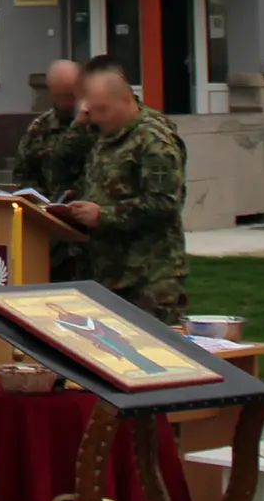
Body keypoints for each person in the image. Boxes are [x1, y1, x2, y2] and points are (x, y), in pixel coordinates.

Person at [60, 65, 189, 325]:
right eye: (92, 111)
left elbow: (163, 204)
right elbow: (63, 162)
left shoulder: (153, 142)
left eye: (103, 110)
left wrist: (103, 215)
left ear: (127, 100)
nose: (96, 118)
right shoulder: (105, 136)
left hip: (147, 279)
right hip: (106, 273)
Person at [13, 59, 90, 200]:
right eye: (60, 96)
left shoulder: (98, 120)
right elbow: (23, 173)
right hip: (49, 210)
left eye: (70, 95)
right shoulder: (40, 127)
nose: (66, 103)